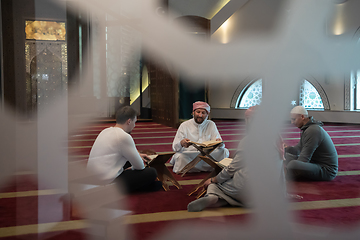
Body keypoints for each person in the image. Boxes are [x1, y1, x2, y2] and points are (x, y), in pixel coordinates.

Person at [187, 106, 286, 212]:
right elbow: (280, 169)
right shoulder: (277, 139)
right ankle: (225, 200)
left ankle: (212, 196)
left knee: (215, 185)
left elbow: (232, 168)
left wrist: (213, 179)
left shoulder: (249, 140)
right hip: (267, 194)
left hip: (248, 188)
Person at [87, 106, 162, 193]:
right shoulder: (124, 136)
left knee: (129, 162)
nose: (134, 126)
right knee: (152, 173)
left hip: (93, 177)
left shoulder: (105, 131)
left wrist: (137, 156)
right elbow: (140, 166)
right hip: (107, 181)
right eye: (134, 122)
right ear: (129, 121)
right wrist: (132, 168)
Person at [170, 101, 229, 173]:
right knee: (180, 156)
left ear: (207, 114)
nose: (200, 115)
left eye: (203, 113)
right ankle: (210, 167)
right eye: (198, 112)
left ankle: (193, 168)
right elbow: (175, 147)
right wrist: (181, 143)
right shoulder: (184, 125)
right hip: (190, 154)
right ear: (193, 112)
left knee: (224, 151)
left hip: (208, 154)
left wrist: (219, 144)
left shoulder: (211, 124)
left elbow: (219, 144)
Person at [284, 106, 338, 181]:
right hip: (314, 163)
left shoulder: (313, 130)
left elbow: (303, 159)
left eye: (294, 119)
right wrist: (287, 148)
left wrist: (288, 168)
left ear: (302, 117)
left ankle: (284, 175)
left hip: (326, 170)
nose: (292, 122)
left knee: (293, 165)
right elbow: (298, 150)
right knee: (286, 156)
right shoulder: (306, 129)